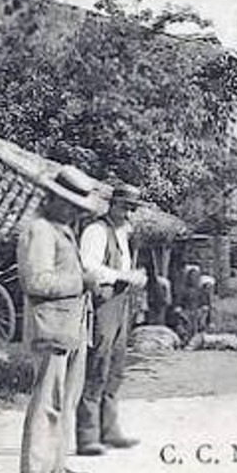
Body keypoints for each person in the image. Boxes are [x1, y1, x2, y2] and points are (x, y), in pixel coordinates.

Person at [17, 165, 104, 473]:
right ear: (51, 199)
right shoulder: (39, 231)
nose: (73, 212)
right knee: (47, 400)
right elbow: (36, 281)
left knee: (65, 401)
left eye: (77, 207)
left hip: (71, 328)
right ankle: (36, 472)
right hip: (51, 327)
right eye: (68, 204)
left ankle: (54, 464)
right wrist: (82, 281)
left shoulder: (61, 230)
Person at [76, 183, 149, 456]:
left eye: (132, 208)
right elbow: (89, 266)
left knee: (116, 365)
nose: (128, 212)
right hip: (103, 302)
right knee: (97, 364)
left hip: (122, 303)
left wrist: (134, 276)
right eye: (124, 206)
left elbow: (124, 266)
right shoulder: (96, 231)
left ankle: (110, 429)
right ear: (112, 204)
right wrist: (123, 277)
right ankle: (87, 435)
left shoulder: (123, 233)